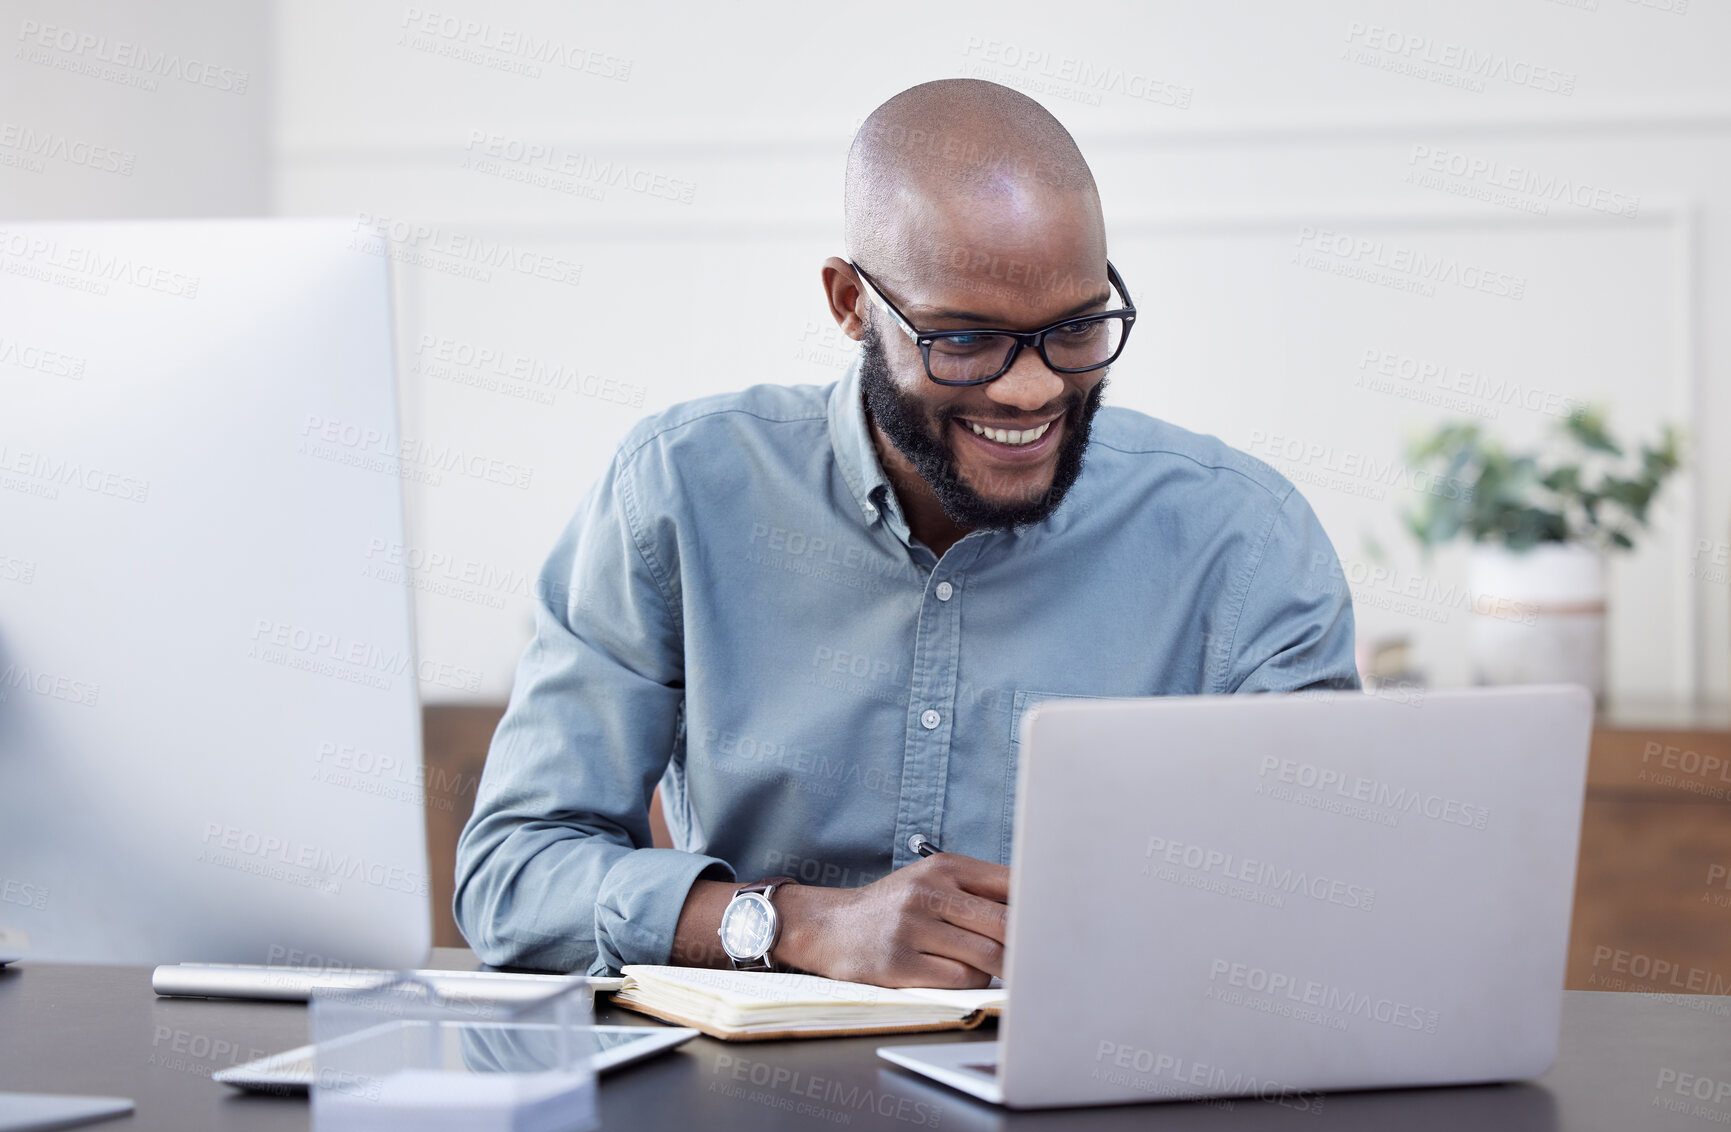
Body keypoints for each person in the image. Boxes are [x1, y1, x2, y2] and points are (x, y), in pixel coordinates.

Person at [454, 78, 1358, 985]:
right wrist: (787, 922)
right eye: (964, 340)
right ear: (851, 303)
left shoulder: (1242, 540)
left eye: (1077, 328)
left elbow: (1344, 898)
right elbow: (514, 877)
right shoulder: (678, 493)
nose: (1032, 389)